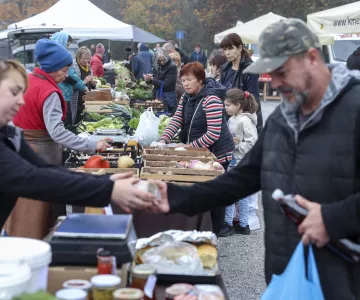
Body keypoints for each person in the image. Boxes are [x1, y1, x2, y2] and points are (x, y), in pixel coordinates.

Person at [150, 19, 360, 300]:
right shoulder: (284, 117)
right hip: (286, 271)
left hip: (346, 276)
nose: (274, 83)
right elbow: (245, 177)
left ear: (312, 58)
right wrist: (175, 197)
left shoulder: (354, 108)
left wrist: (333, 219)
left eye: (281, 71)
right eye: (269, 74)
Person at [0, 56, 157, 243]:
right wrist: (109, 189)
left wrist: (106, 181)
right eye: (14, 92)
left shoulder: (6, 133)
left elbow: (44, 170)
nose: (21, 101)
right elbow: (30, 178)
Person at [9, 39, 111, 239]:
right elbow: (57, 132)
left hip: (20, 153)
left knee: (22, 207)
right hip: (42, 156)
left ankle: (21, 241)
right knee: (41, 212)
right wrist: (91, 144)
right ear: (52, 67)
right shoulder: (50, 93)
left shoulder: (26, 81)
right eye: (64, 71)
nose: (67, 75)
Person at [159, 62, 234, 235]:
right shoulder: (186, 96)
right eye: (183, 80)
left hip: (217, 154)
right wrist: (163, 139)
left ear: (200, 80)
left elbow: (214, 134)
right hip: (200, 153)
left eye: (189, 80)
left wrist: (188, 147)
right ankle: (201, 231)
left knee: (215, 196)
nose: (185, 84)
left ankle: (214, 233)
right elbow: (177, 119)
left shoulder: (211, 99)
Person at [220, 89, 259, 237]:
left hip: (240, 161)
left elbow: (252, 142)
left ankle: (229, 223)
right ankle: (243, 224)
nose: (225, 108)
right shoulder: (233, 119)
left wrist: (236, 146)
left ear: (238, 105)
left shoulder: (244, 121)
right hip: (235, 160)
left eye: (228, 105)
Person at [219, 33, 263, 134]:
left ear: (239, 48)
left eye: (230, 48)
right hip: (228, 117)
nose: (227, 53)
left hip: (245, 119)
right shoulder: (225, 69)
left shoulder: (249, 69)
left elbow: (253, 99)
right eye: (225, 49)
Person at [50, 32, 92, 129]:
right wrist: (83, 85)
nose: (67, 47)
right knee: (64, 124)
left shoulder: (58, 56)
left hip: (63, 94)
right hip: (61, 95)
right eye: (67, 45)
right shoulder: (58, 58)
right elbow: (70, 76)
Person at [144, 49, 178, 114]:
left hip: (168, 97)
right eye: (159, 60)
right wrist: (148, 79)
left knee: (168, 116)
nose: (162, 62)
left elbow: (167, 84)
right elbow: (154, 79)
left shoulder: (172, 66)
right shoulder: (156, 65)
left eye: (163, 60)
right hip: (157, 95)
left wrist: (152, 79)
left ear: (166, 57)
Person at [71, 46, 96, 125]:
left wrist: (92, 84)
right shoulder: (73, 67)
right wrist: (85, 81)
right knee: (76, 120)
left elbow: (90, 84)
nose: (86, 61)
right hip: (75, 99)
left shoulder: (88, 67)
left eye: (88, 58)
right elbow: (73, 84)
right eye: (84, 58)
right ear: (78, 57)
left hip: (85, 99)